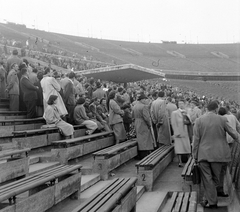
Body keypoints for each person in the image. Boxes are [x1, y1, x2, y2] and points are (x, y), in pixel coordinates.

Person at [192, 101, 240, 209]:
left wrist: (194, 154)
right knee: (215, 178)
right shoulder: (222, 119)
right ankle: (210, 200)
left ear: (207, 109)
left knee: (207, 178)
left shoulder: (199, 121)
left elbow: (196, 140)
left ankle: (211, 201)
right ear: (216, 109)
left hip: (203, 154)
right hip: (219, 154)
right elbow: (233, 133)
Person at [132, 93, 154, 159]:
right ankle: (144, 154)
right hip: (143, 123)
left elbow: (132, 116)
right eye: (145, 99)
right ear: (142, 99)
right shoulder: (144, 106)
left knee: (140, 138)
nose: (145, 100)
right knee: (145, 138)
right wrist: (149, 124)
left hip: (136, 122)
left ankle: (140, 153)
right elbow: (146, 118)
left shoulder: (135, 106)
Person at [171, 98, 191, 167]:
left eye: (182, 104)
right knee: (179, 149)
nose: (181, 105)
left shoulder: (187, 112)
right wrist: (176, 132)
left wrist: (186, 115)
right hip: (179, 133)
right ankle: (180, 162)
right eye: (179, 104)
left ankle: (189, 161)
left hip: (185, 133)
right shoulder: (175, 113)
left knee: (187, 147)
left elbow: (189, 122)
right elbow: (173, 123)